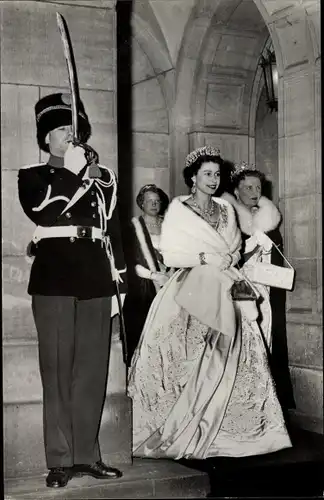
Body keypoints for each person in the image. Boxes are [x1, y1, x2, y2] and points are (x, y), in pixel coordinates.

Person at [128, 145, 292, 460]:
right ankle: (185, 424)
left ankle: (233, 431)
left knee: (239, 350)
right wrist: (204, 257)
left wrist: (227, 257)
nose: (213, 180)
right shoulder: (178, 209)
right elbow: (172, 254)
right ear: (193, 177)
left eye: (217, 174)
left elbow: (233, 247)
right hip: (190, 284)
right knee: (185, 353)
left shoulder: (226, 209)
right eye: (207, 174)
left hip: (226, 282)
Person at [18, 93, 127, 488]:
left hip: (96, 276)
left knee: (92, 371)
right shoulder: (33, 175)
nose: (71, 137)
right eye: (63, 130)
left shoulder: (102, 177)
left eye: (75, 131)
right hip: (55, 277)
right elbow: (47, 210)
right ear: (45, 137)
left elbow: (111, 225)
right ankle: (60, 459)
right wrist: (77, 172)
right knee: (58, 370)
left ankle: (87, 456)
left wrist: (122, 278)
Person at [222, 162, 295, 419]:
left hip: (265, 292)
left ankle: (267, 402)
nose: (254, 192)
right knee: (243, 341)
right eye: (248, 187)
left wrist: (268, 243)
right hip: (239, 289)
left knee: (267, 340)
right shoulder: (228, 217)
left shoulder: (268, 220)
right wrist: (252, 244)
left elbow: (276, 258)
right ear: (237, 190)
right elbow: (226, 256)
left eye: (258, 187)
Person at [123, 184, 173, 365]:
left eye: (157, 201)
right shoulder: (133, 226)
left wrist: (170, 272)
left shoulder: (168, 224)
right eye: (149, 201)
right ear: (141, 204)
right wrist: (154, 275)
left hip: (170, 283)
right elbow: (129, 261)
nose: (154, 204)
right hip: (142, 288)